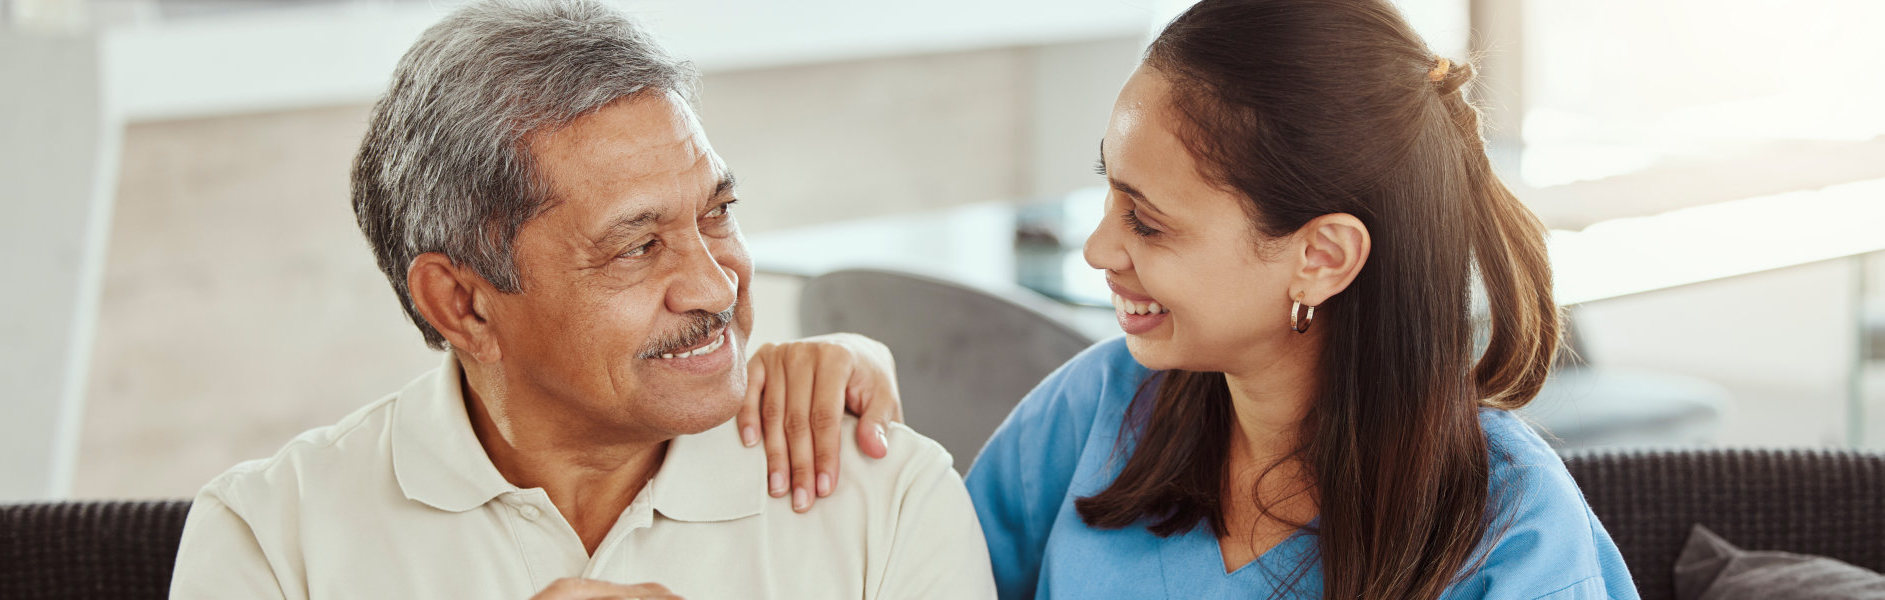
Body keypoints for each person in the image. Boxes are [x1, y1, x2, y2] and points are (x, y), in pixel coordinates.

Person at [744, 0, 1640, 597]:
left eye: (1150, 222)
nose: (1100, 250)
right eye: (1108, 193)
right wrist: (859, 404)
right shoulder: (1098, 406)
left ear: (1321, 257)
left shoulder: (1511, 530)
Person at [165, 1, 994, 598]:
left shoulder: (888, 497)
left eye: (718, 215)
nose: (715, 284)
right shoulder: (271, 536)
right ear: (462, 304)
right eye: (638, 247)